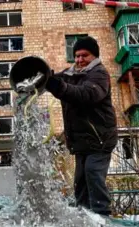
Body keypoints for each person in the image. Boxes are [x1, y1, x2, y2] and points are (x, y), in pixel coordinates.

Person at [45, 36, 118, 216]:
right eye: (76, 56)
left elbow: (86, 94)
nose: (79, 60)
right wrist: (44, 78)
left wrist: (59, 87)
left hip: (99, 138)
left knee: (93, 174)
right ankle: (83, 216)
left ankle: (102, 216)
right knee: (80, 181)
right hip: (80, 141)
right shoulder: (71, 74)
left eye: (84, 55)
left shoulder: (99, 74)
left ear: (94, 56)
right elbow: (53, 80)